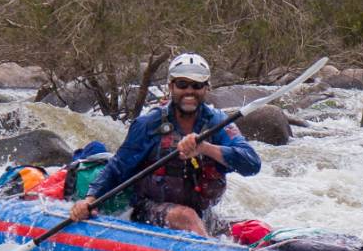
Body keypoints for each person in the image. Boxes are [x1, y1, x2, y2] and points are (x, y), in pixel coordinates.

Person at [68, 52, 261, 236]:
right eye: (182, 84)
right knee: (187, 218)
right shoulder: (148, 124)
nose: (189, 91)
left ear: (206, 88)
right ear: (171, 86)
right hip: (148, 209)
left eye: (197, 85)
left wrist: (204, 148)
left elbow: (252, 164)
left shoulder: (218, 123)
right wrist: (90, 200)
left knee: (255, 229)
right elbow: (118, 167)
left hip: (202, 212)